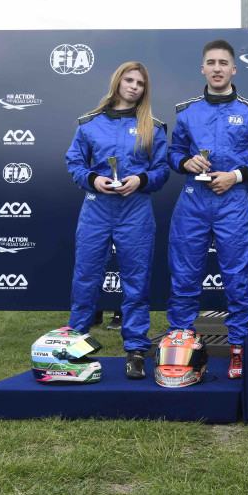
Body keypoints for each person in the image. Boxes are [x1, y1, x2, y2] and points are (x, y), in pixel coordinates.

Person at [166, 39, 248, 379]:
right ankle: (181, 342)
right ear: (203, 68)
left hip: (233, 203)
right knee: (184, 275)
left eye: (223, 63)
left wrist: (234, 175)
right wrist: (186, 161)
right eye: (211, 62)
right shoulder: (186, 112)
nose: (217, 68)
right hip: (192, 202)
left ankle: (239, 348)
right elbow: (172, 154)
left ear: (233, 69)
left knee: (237, 278)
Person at [65, 61, 169, 379]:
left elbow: (162, 169)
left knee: (136, 284)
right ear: (118, 82)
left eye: (140, 83)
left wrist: (141, 180)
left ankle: (135, 351)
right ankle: (75, 346)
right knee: (85, 279)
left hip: (135, 210)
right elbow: (74, 162)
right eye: (129, 80)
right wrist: (92, 179)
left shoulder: (154, 126)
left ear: (144, 90)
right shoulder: (89, 123)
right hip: (96, 208)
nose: (134, 86)